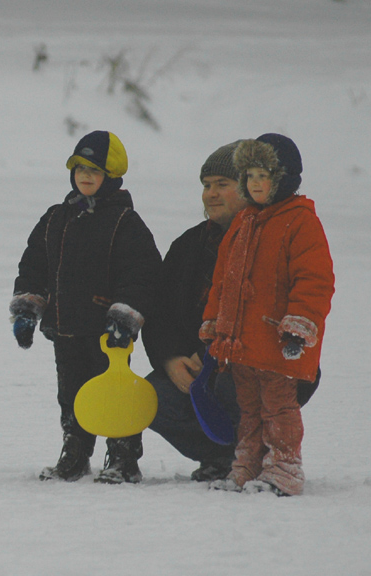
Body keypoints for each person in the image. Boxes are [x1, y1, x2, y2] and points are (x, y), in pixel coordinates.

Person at [9, 130, 161, 484]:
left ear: (112, 176)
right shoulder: (56, 218)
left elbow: (141, 274)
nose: (86, 176)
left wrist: (125, 317)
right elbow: (33, 267)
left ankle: (123, 456)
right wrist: (27, 310)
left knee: (114, 392)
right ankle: (75, 451)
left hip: (107, 333)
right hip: (64, 328)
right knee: (72, 394)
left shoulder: (125, 223)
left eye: (95, 170)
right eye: (79, 168)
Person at [201, 134, 334, 496]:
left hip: (276, 340)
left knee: (278, 408)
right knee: (249, 411)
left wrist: (299, 325)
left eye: (264, 176)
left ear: (283, 179)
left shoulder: (300, 222)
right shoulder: (244, 223)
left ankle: (284, 469)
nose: (256, 184)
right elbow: (222, 281)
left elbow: (315, 281)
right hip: (242, 342)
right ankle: (247, 466)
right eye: (250, 177)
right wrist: (215, 323)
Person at [139, 141, 248, 482]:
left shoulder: (268, 241)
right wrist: (171, 359)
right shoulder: (188, 245)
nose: (211, 194)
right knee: (150, 398)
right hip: (197, 369)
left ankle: (256, 455)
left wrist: (217, 356)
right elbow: (159, 313)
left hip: (253, 365)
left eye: (222, 184)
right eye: (206, 185)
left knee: (232, 389)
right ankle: (220, 457)